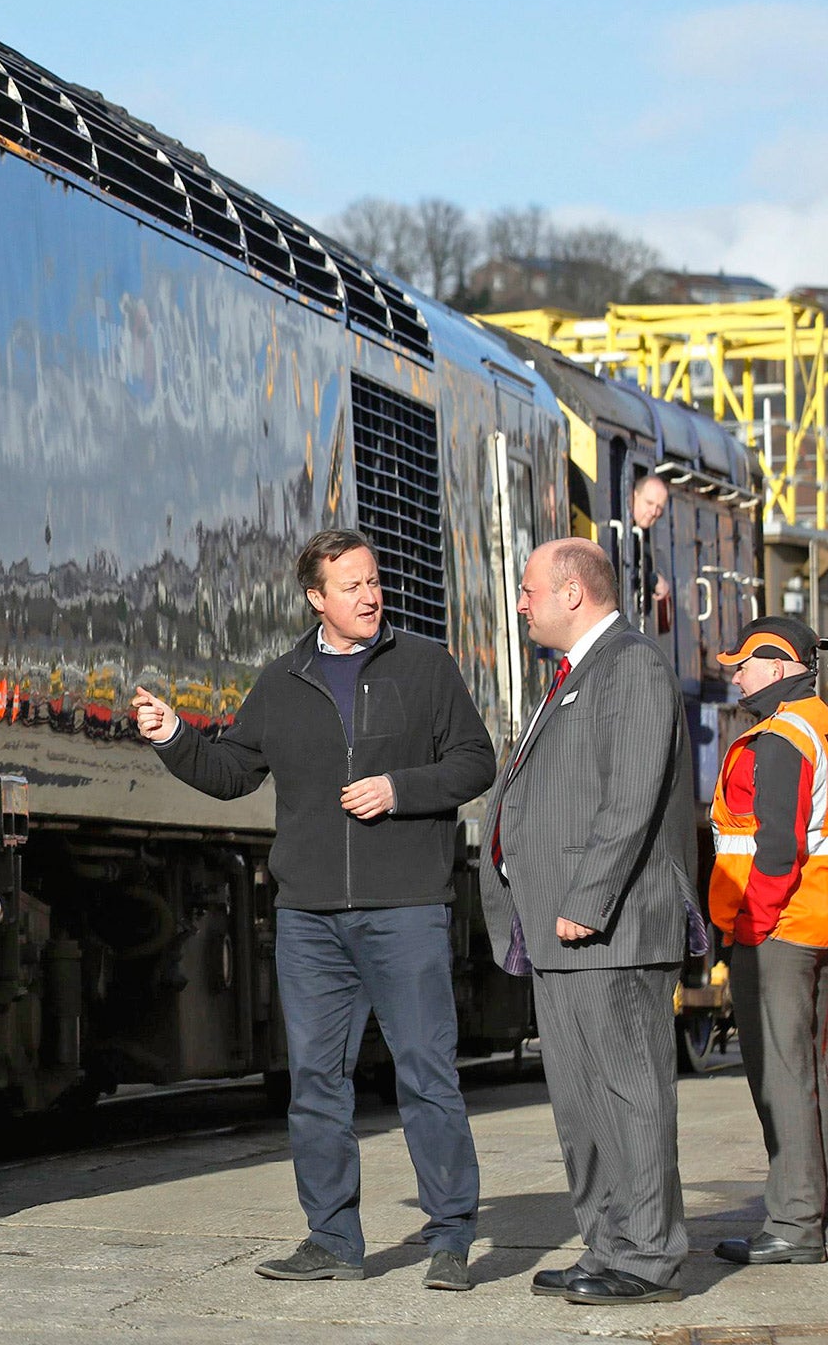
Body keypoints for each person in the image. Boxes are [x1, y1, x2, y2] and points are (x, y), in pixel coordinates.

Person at [132, 529, 495, 1292]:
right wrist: (174, 738)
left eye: (374, 581)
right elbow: (232, 772)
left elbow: (474, 760)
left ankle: (452, 1237)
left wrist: (401, 790)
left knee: (427, 1072)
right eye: (352, 586)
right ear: (316, 599)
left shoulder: (426, 667)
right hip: (310, 919)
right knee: (315, 1083)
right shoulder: (282, 680)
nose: (369, 596)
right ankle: (333, 1241)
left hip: (405, 909)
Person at [480, 537, 694, 1306]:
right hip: (561, 935)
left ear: (574, 592)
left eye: (530, 589)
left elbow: (631, 796)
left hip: (608, 928)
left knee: (630, 1097)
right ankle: (607, 1247)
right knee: (580, 1105)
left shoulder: (630, 666)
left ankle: (649, 1257)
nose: (522, 603)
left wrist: (587, 897)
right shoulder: (571, 677)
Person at [706, 616, 828, 1267]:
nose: (735, 675)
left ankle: (795, 1224)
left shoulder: (780, 737)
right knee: (815, 1076)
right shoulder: (821, 726)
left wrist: (750, 926)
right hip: (818, 921)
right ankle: (813, 1214)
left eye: (744, 664)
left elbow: (776, 849)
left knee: (781, 1078)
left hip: (779, 928)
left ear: (779, 668)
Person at [628, 473, 672, 624]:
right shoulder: (625, 531)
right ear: (634, 495)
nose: (654, 512)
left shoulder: (643, 534)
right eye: (649, 503)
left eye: (659, 507)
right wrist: (652, 580)